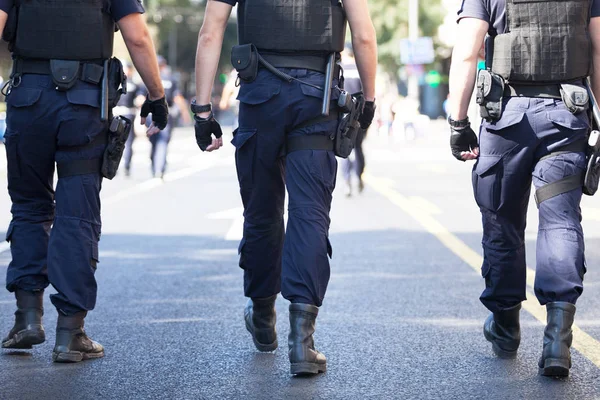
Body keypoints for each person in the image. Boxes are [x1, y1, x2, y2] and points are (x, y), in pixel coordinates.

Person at [193, 0, 377, 375]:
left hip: (260, 96)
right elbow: (364, 35)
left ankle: (263, 316)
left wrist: (202, 110)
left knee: (261, 212)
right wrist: (369, 99)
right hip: (317, 97)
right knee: (309, 214)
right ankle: (302, 342)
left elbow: (211, 31)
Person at [0, 0, 168, 362]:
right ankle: (70, 332)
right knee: (77, 213)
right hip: (82, 104)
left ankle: (27, 319)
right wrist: (157, 96)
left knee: (29, 207)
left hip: (28, 99)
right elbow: (137, 37)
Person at [448, 0, 600, 377]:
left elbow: (468, 52)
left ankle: (505, 326)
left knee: (502, 222)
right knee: (560, 221)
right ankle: (556, 341)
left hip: (507, 119)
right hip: (566, 116)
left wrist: (458, 121)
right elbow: (598, 48)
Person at [145, 56, 191, 179]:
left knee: (155, 143)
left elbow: (140, 99)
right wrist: (185, 114)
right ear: (163, 65)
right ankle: (159, 169)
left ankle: (155, 167)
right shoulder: (170, 79)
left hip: (151, 115)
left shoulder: (147, 79)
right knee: (162, 142)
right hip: (165, 114)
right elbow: (178, 98)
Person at [339, 44, 367, 197]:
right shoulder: (360, 69)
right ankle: (359, 175)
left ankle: (347, 181)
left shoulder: (339, 69)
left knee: (344, 148)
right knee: (358, 148)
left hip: (343, 115)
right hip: (359, 115)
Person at [114, 61, 142, 177]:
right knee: (119, 141)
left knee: (124, 142)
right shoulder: (121, 83)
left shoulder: (117, 83)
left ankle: (124, 166)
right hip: (120, 113)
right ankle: (118, 166)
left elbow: (140, 99)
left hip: (124, 114)